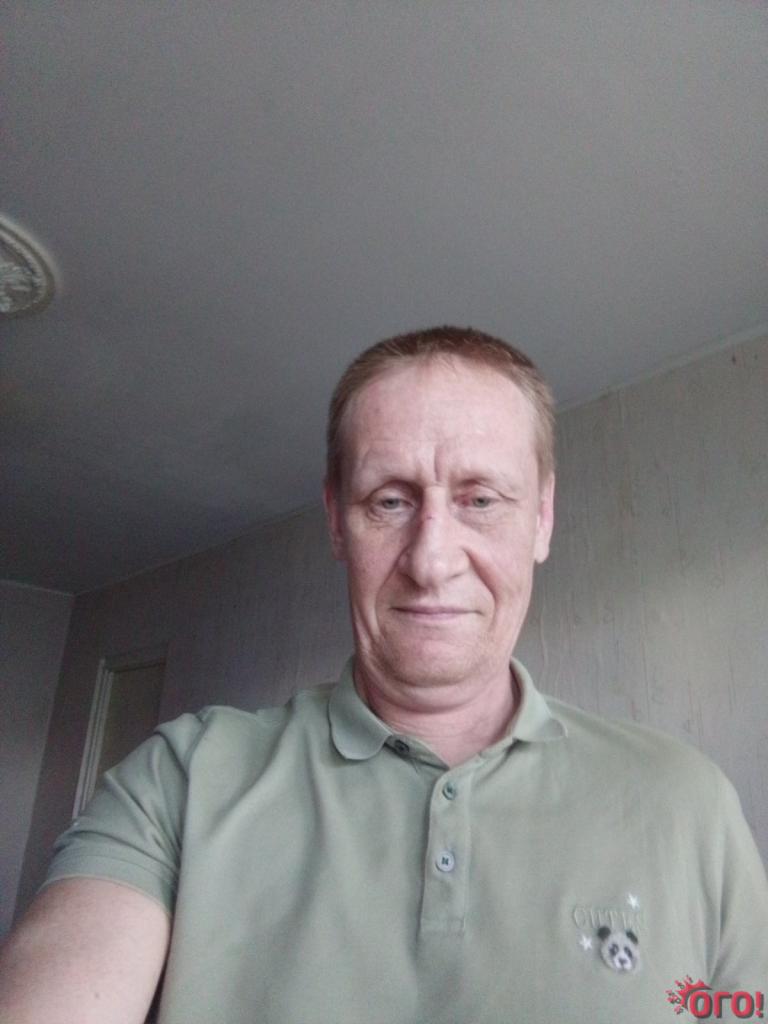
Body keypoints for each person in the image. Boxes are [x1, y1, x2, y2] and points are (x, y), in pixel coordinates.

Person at [1, 326, 766, 1023]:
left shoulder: (690, 804)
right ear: (337, 520)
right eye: (390, 501)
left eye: (481, 499)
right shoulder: (180, 780)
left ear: (542, 518)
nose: (431, 560)